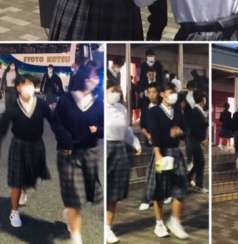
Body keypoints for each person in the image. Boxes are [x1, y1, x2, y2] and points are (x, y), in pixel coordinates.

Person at [0, 75, 60, 228]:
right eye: (25, 84)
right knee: (17, 180)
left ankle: (23, 189)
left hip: (37, 145)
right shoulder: (13, 107)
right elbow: (2, 128)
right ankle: (14, 212)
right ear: (18, 88)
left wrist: (65, 139)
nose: (28, 87)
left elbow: (54, 122)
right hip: (19, 146)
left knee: (30, 174)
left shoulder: (41, 104)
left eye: (31, 84)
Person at [55, 63, 104, 244]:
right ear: (84, 77)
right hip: (69, 153)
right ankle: (76, 236)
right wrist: (66, 140)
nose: (96, 80)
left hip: (90, 153)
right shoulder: (66, 100)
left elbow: (103, 127)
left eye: (97, 77)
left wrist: (97, 130)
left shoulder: (98, 102)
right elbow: (56, 123)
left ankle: (70, 213)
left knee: (88, 195)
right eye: (93, 76)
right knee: (75, 197)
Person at [146, 82, 189, 239]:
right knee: (159, 189)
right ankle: (159, 223)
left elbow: (185, 130)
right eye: (171, 92)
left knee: (181, 187)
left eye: (175, 92)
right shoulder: (154, 112)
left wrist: (180, 132)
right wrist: (157, 152)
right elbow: (154, 133)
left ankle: (175, 221)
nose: (174, 95)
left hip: (175, 152)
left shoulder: (177, 111)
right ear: (162, 94)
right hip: (161, 152)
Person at [106, 80, 141, 243]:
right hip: (104, 148)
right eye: (113, 90)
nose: (116, 94)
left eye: (118, 91)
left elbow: (126, 130)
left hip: (119, 149)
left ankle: (108, 227)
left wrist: (135, 143)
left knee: (114, 191)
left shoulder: (122, 109)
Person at [139, 82, 161, 211]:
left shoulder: (162, 108)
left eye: (154, 92)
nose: (151, 95)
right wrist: (148, 136)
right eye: (149, 92)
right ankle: (146, 199)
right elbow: (142, 126)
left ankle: (161, 195)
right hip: (150, 144)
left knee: (159, 172)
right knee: (150, 173)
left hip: (162, 144)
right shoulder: (146, 108)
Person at [187, 89, 208, 193]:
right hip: (194, 140)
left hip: (195, 140)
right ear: (203, 99)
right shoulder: (195, 111)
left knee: (197, 162)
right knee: (200, 162)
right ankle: (199, 186)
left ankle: (187, 179)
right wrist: (203, 139)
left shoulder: (198, 110)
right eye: (205, 98)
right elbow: (194, 128)